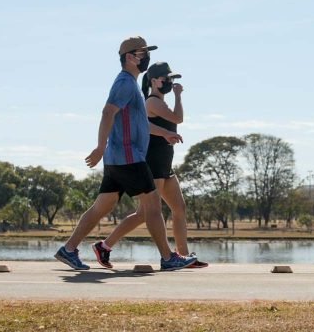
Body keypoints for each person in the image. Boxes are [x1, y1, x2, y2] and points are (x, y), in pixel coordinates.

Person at [54, 36, 196, 271]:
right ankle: (168, 258)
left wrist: (162, 133)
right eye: (143, 54)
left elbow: (138, 122)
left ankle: (68, 249)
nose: (146, 58)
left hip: (118, 158)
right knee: (152, 206)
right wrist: (100, 147)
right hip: (129, 156)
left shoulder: (131, 84)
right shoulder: (125, 83)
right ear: (130, 57)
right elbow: (108, 112)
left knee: (102, 207)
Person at [92, 62, 208, 269]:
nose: (170, 83)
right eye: (166, 79)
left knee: (179, 208)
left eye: (172, 79)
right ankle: (105, 245)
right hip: (153, 163)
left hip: (165, 163)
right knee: (144, 213)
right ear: (154, 81)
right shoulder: (152, 102)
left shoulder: (158, 102)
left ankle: (183, 255)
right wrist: (179, 96)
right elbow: (177, 119)